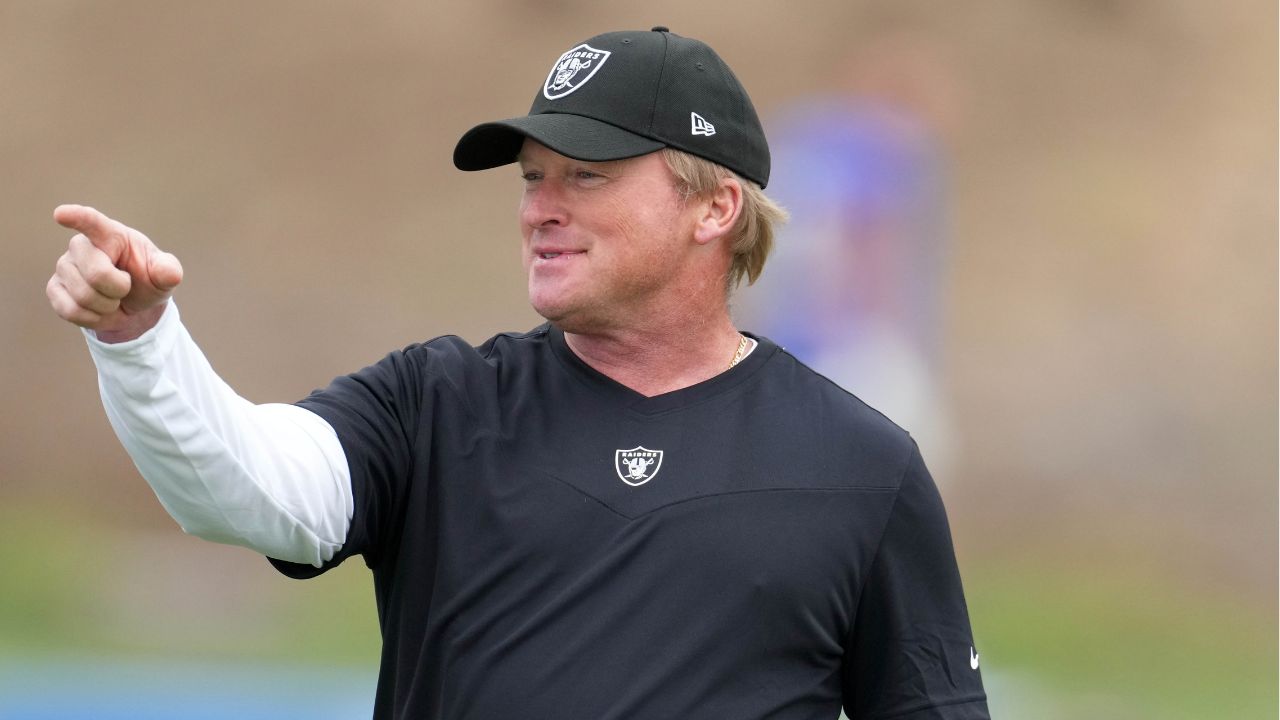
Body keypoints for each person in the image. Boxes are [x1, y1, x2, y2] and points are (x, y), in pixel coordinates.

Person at [47, 27, 989, 720]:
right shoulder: (436, 404)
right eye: (531, 177)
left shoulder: (863, 465)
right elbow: (247, 489)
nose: (540, 207)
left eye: (586, 176)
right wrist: (141, 342)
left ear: (715, 207)